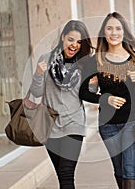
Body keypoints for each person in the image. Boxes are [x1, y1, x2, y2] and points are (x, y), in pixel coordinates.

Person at [79, 12, 135, 189]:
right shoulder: (96, 60)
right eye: (109, 28)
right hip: (108, 124)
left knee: (130, 170)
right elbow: (83, 92)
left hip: (132, 122)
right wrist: (104, 99)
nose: (113, 32)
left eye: (118, 28)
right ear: (104, 32)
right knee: (119, 171)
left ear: (124, 32)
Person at [29, 20, 93, 189]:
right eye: (71, 39)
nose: (75, 45)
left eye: (79, 42)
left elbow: (87, 92)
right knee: (61, 176)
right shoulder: (46, 59)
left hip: (74, 124)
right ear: (63, 37)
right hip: (50, 126)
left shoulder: (84, 63)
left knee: (66, 175)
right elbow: (36, 93)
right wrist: (38, 74)